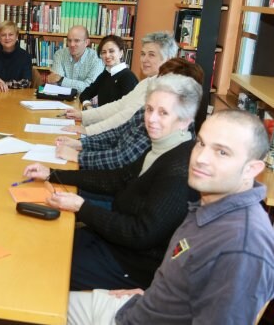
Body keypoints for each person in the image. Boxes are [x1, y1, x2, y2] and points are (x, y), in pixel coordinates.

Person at [68, 109, 274, 325]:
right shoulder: (213, 206)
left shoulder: (242, 247)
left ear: (252, 169)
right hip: (137, 306)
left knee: (41, 295)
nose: (200, 158)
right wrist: (152, 296)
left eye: (222, 152)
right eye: (201, 143)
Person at [24, 74, 202, 291]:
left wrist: (82, 207)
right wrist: (53, 174)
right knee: (38, 243)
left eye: (163, 113)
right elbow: (117, 178)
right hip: (113, 242)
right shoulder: (161, 146)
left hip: (131, 264)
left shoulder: (178, 170)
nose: (151, 119)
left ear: (185, 120)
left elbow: (140, 233)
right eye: (149, 109)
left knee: (39, 268)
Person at [55, 58, 204, 169]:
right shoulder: (148, 107)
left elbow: (122, 158)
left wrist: (80, 155)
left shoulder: (165, 128)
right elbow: (117, 133)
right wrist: (81, 143)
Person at [63, 31, 178, 135]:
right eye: (143, 54)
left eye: (151, 55)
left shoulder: (164, 89)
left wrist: (88, 130)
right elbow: (119, 105)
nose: (144, 59)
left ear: (168, 59)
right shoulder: (146, 82)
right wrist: (83, 115)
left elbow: (125, 115)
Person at [77, 34, 138, 108]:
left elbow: (129, 109)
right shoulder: (106, 74)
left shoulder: (128, 77)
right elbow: (86, 93)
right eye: (103, 52)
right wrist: (88, 105)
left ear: (121, 53)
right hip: (102, 117)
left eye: (111, 51)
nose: (107, 55)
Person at [46, 25, 103, 94]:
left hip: (87, 102)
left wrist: (61, 80)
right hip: (62, 100)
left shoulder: (97, 58)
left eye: (77, 41)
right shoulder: (59, 54)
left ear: (87, 42)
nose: (72, 44)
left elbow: (90, 88)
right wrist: (80, 85)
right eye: (69, 40)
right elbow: (55, 83)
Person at [0, 20, 32, 91]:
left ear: (17, 36)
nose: (7, 38)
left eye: (10, 34)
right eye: (3, 35)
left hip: (17, 96)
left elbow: (26, 83)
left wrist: (4, 84)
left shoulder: (25, 56)